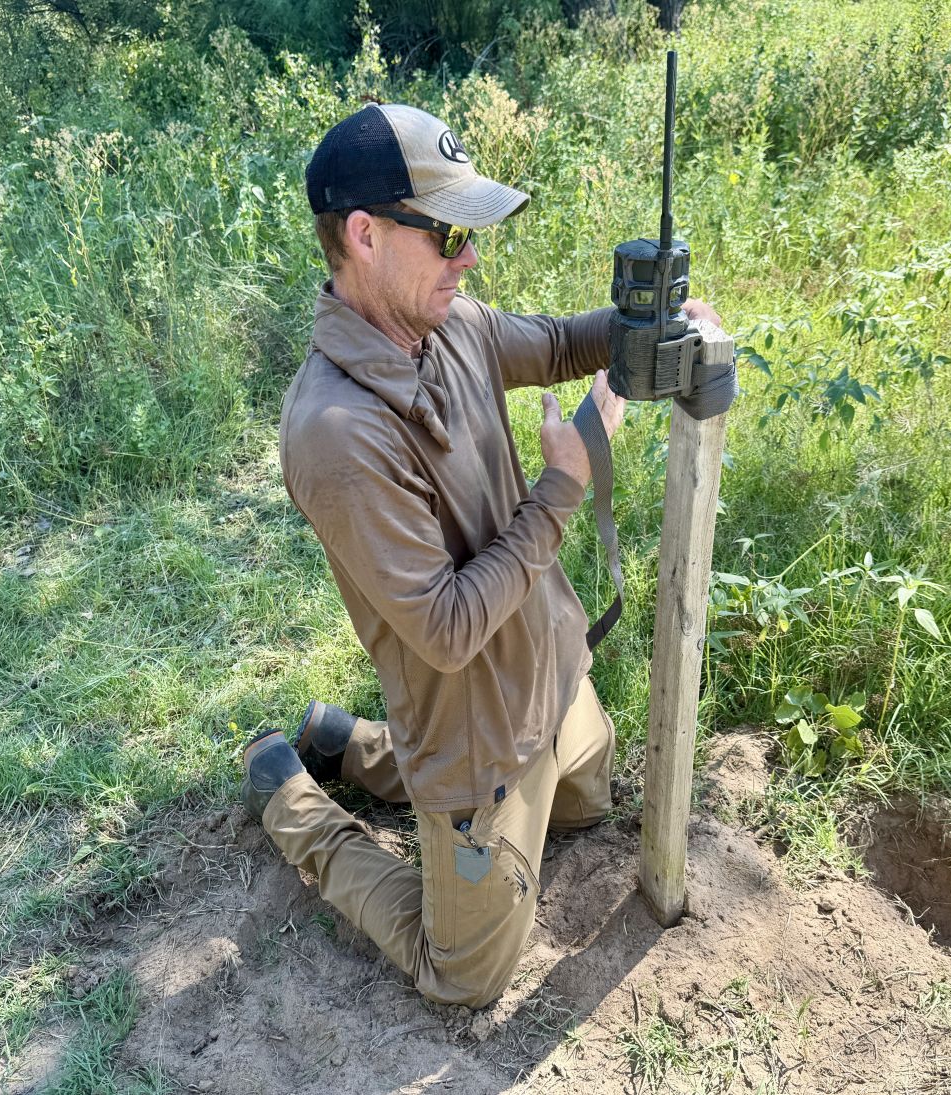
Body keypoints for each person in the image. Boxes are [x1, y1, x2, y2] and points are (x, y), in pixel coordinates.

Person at [241, 102, 720, 1009]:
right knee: (461, 976)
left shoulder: (441, 318)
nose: (469, 257)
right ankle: (291, 796)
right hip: (473, 735)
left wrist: (639, 325)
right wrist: (563, 486)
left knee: (587, 803)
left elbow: (548, 343)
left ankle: (351, 743)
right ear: (364, 235)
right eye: (450, 232)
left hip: (548, 670)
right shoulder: (334, 431)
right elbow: (451, 630)